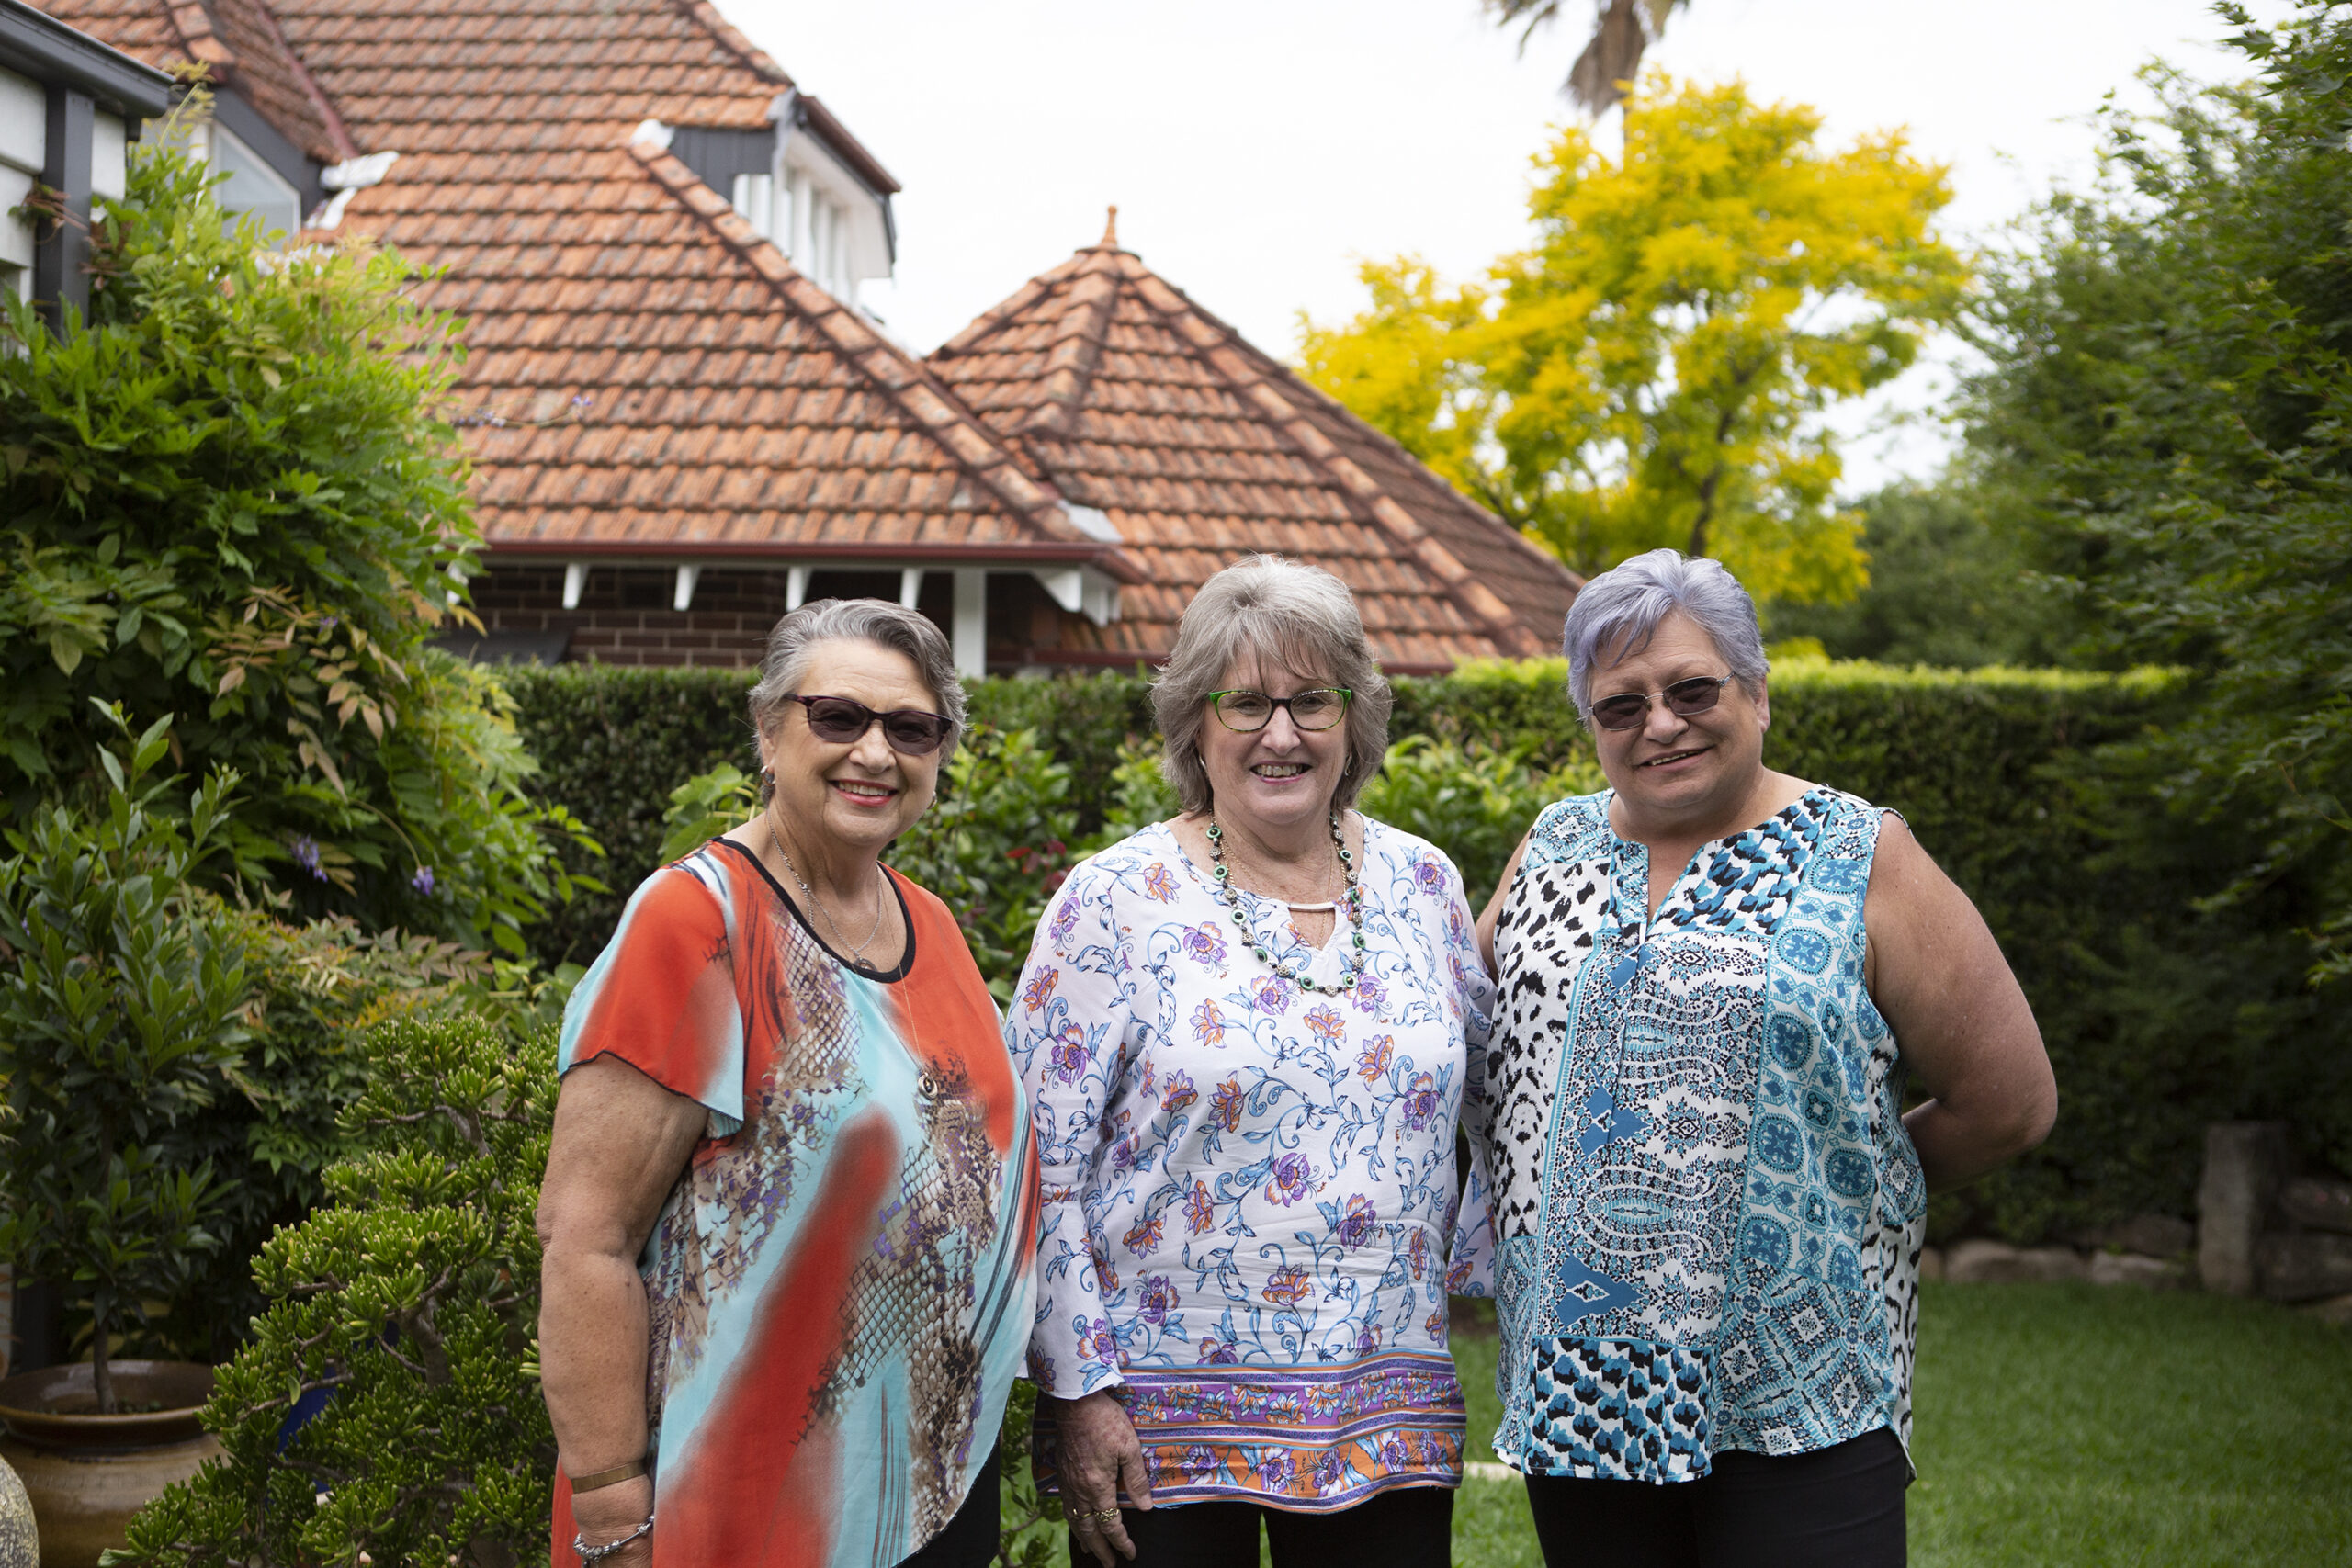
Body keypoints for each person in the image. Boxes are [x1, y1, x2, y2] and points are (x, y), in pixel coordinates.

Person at [1470, 548, 2058, 1567]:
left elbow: (2006, 1102)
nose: (1660, 723)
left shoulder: (1862, 855)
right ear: (1592, 726)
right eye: (1620, 706)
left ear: (1757, 691)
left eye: (1692, 689)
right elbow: (1465, 1045)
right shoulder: (1552, 845)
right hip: (1578, 1388)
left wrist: (1840, 1182)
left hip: (1799, 1382)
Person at [1007, 556, 1497, 1568]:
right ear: (1194, 721)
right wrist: (1078, 1390)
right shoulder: (1113, 900)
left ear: (1354, 717)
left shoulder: (1424, 886)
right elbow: (1035, 1165)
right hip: (1157, 1420)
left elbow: (1501, 1100)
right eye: (1246, 703)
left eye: (1311, 700)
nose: (1282, 733)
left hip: (1386, 1409)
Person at [535, 599, 1038, 1568]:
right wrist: (607, 1497)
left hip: (931, 1483)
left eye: (911, 728)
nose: (875, 754)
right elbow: (584, 1237)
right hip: (740, 1495)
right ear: (770, 732)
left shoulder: (930, 926)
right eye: (838, 718)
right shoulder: (695, 924)